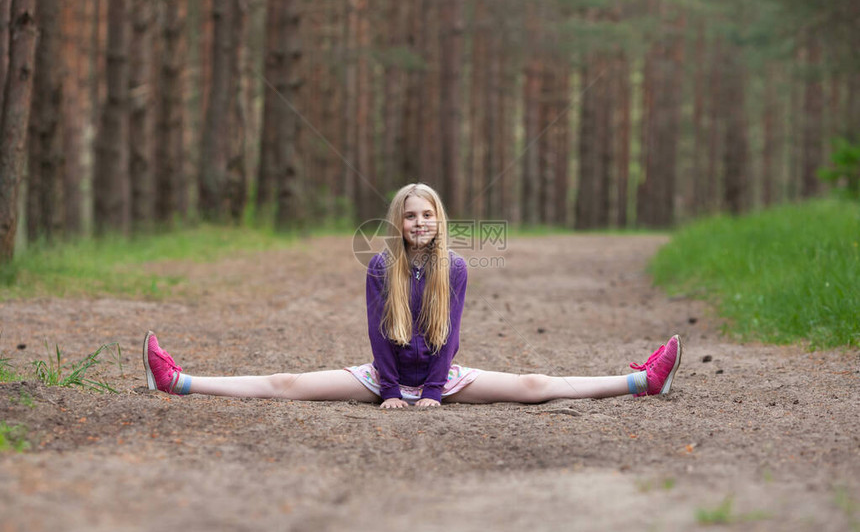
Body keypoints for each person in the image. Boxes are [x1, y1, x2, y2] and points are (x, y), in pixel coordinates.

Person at [143, 183, 682, 408]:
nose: (419, 222)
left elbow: (449, 337)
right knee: (288, 383)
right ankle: (178, 380)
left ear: (438, 220)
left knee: (534, 384)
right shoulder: (381, 265)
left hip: (439, 376)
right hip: (384, 375)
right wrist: (393, 391)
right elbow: (379, 336)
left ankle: (641, 380)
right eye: (410, 215)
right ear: (398, 222)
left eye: (428, 215)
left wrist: (428, 393)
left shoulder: (457, 266)